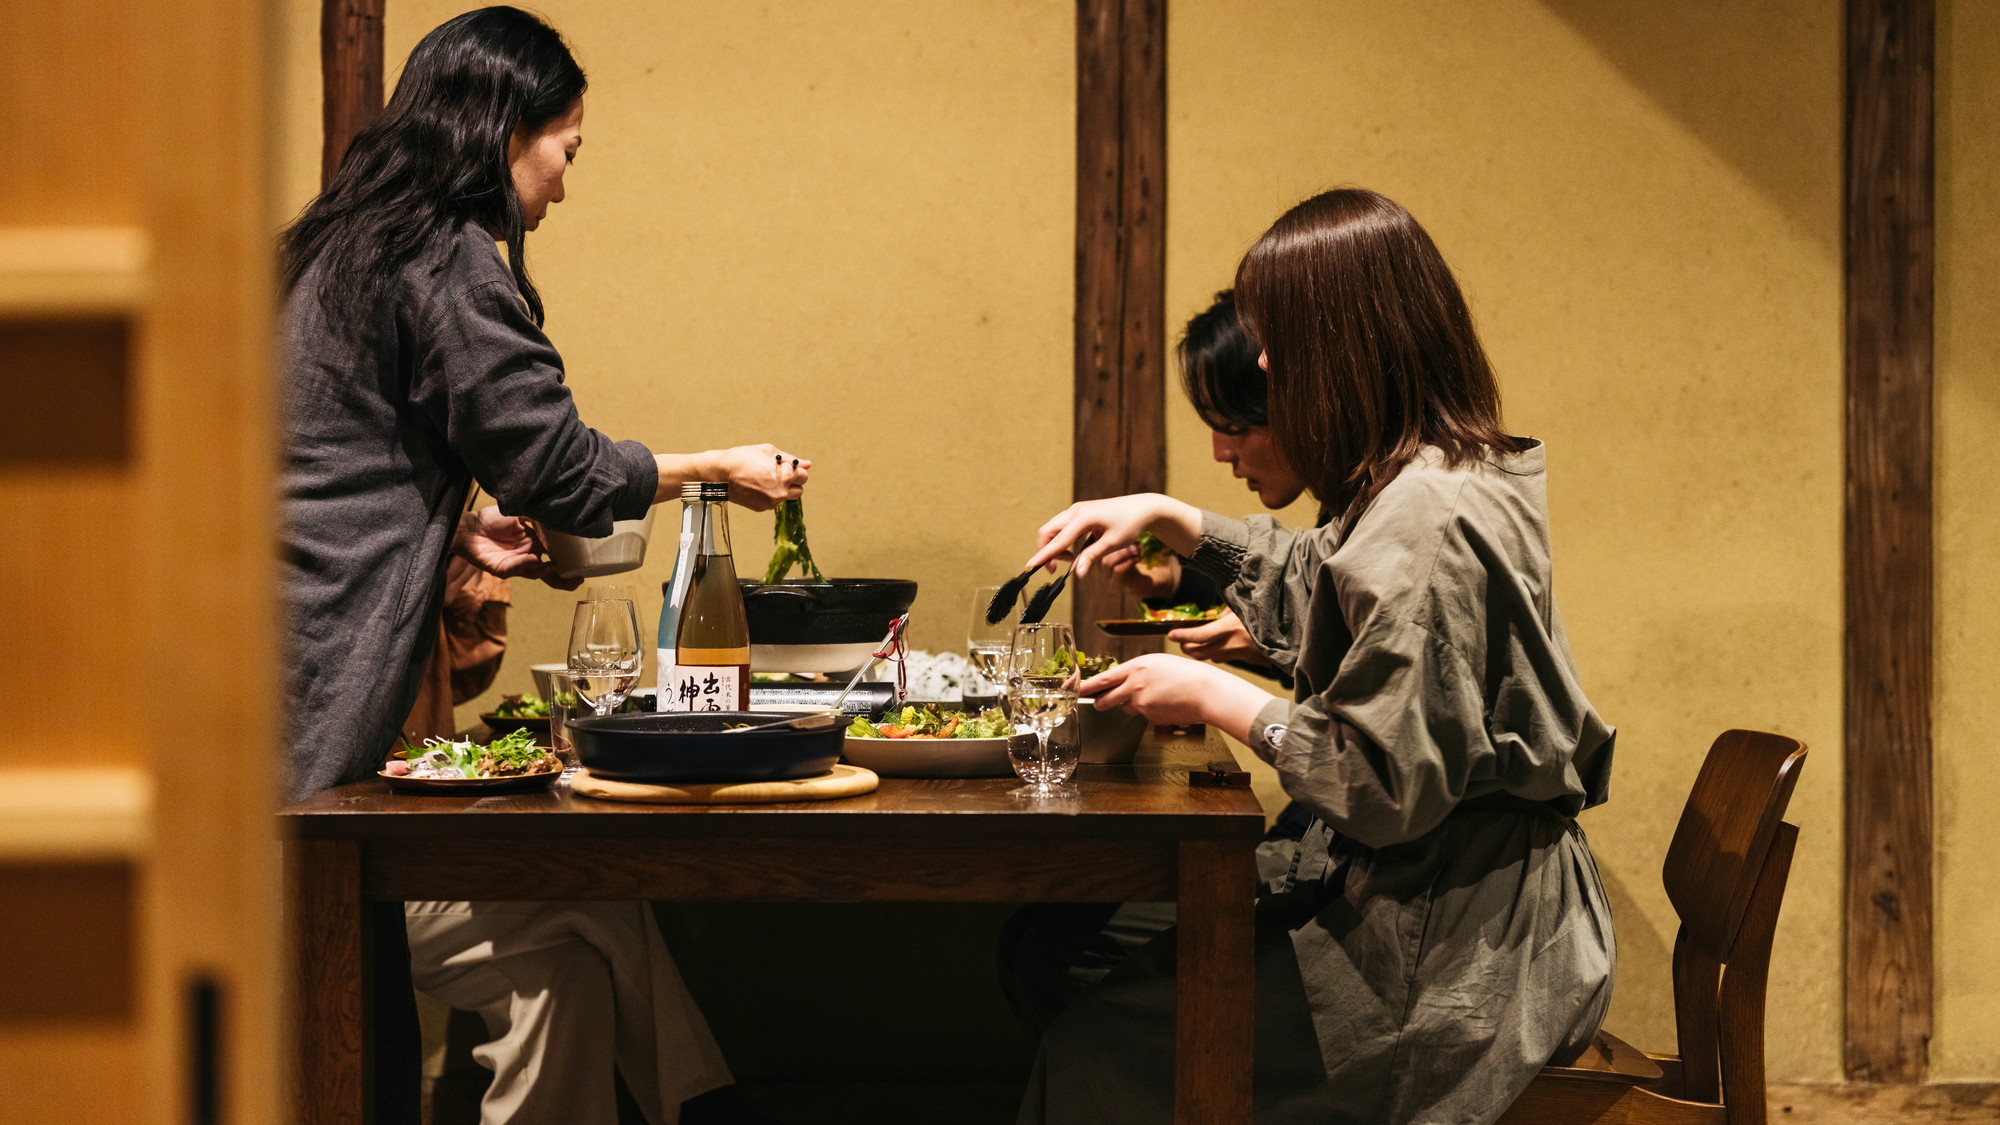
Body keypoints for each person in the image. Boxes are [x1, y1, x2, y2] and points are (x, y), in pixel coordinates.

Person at [279, 9, 795, 1123]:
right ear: (507, 128)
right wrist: (712, 466)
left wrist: (443, 535)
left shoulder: (336, 245)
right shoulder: (441, 255)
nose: (565, 178)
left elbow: (318, 467)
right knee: (343, 1048)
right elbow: (553, 467)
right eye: (566, 144)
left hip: (250, 701)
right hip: (302, 727)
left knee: (562, 956)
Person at [1014, 188, 1616, 1124]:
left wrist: (1217, 695)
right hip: (1443, 901)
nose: (1262, 360)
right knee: (1088, 966)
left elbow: (1383, 783)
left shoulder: (1428, 516)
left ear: (1346, 345)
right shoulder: (1429, 477)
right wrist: (1177, 518)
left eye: (1278, 343)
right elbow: (1326, 573)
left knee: (1096, 1048)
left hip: (1460, 949)